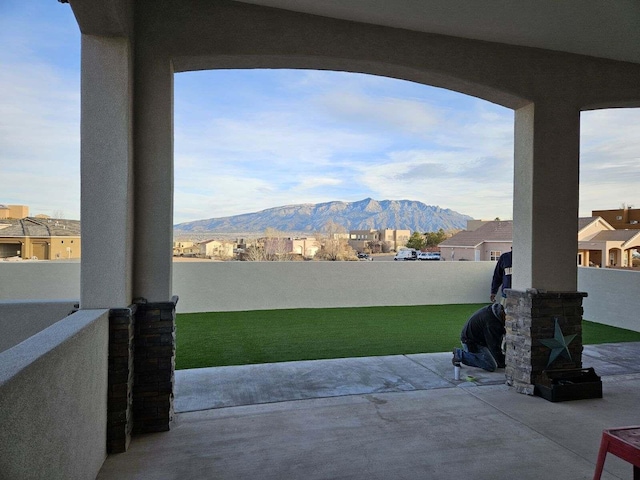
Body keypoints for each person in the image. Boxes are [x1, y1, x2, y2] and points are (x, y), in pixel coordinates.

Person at [452, 303, 506, 372]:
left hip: (478, 340)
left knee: (495, 358)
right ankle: (460, 354)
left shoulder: (494, 311)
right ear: (503, 313)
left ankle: (462, 354)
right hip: (471, 343)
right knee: (491, 365)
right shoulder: (491, 323)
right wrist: (504, 362)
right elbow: (493, 346)